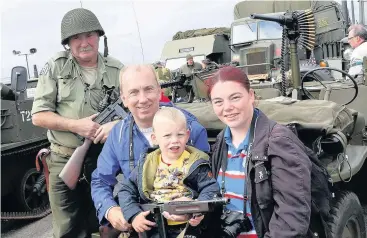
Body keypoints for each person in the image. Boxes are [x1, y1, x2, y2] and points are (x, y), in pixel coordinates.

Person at [31, 8, 124, 237]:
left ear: (99, 37)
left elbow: (137, 110)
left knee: (107, 223)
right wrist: (76, 126)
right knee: (67, 228)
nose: (84, 42)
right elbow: (38, 115)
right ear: (68, 43)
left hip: (104, 159)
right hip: (64, 158)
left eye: (90, 35)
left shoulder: (117, 69)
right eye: (76, 37)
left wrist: (116, 125)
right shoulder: (56, 66)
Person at [91, 64, 210, 233]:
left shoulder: (191, 129)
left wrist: (194, 205)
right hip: (141, 225)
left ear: (159, 90)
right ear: (123, 98)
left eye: (148, 89)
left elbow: (210, 181)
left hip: (186, 227)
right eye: (134, 92)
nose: (143, 99)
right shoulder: (119, 135)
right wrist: (110, 211)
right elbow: (100, 180)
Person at [207, 66, 312, 238]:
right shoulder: (221, 141)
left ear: (251, 96)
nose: (227, 107)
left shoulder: (279, 141)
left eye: (235, 97)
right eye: (218, 101)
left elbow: (291, 218)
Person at [118, 107, 220, 237]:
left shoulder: (196, 163)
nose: (174, 140)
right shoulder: (147, 163)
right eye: (167, 135)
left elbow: (210, 188)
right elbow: (126, 189)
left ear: (187, 135)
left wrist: (198, 210)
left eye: (180, 134)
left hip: (188, 227)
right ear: (155, 138)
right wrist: (134, 215)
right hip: (154, 226)